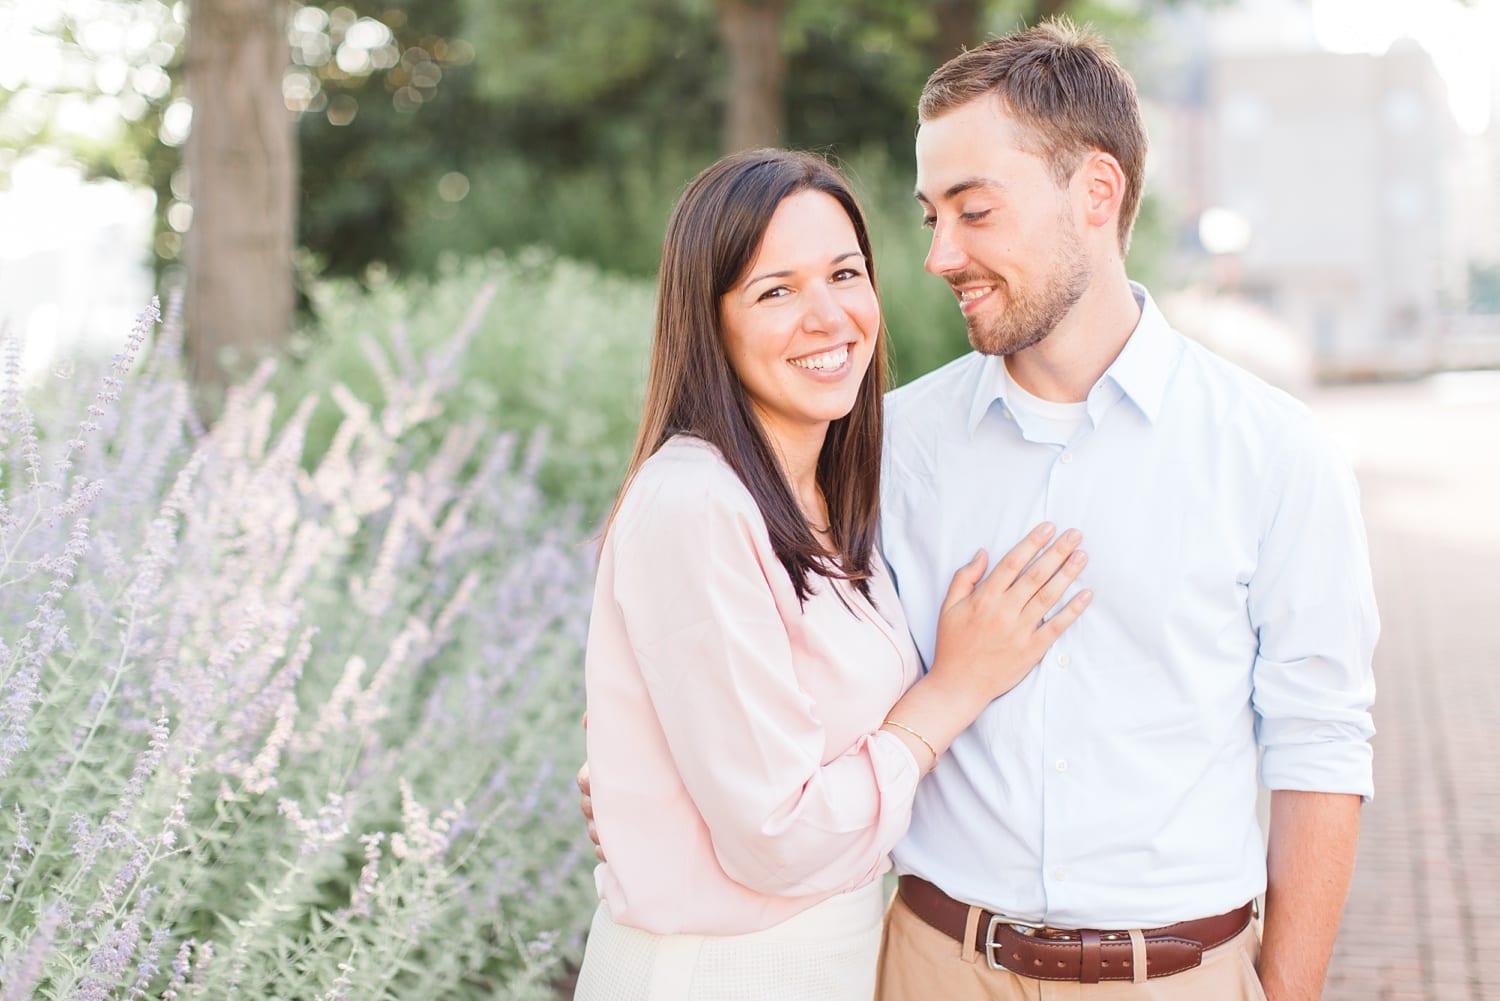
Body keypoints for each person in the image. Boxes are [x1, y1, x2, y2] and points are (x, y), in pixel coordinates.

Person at [874, 18, 1377, 1001]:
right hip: (934, 964)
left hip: (1182, 975)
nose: (940, 254)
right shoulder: (895, 448)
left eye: (974, 211)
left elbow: (1320, 741)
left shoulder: (1275, 453)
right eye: (931, 215)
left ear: (1095, 193)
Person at [572, 148, 1093, 1001]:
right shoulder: (698, 501)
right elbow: (778, 836)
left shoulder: (821, 495)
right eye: (775, 290)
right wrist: (953, 689)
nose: (828, 316)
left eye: (844, 274)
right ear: (711, 321)